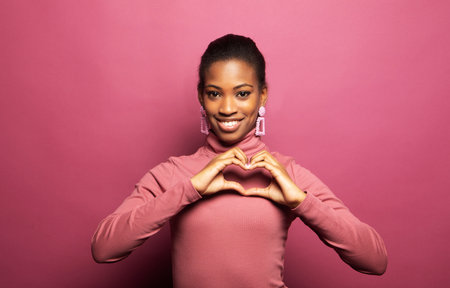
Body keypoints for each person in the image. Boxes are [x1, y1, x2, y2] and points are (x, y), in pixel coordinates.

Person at [91, 34, 388, 287]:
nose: (228, 107)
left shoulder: (287, 174)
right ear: (201, 98)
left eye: (243, 93)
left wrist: (301, 201)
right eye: (215, 94)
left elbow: (374, 260)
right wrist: (189, 189)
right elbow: (104, 248)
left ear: (262, 96)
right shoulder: (174, 173)